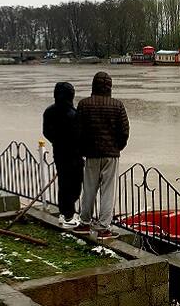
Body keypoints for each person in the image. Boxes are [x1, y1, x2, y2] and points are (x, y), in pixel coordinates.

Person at [75, 72, 129, 239]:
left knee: (89, 188)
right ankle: (104, 227)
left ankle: (84, 222)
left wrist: (82, 149)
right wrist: (117, 147)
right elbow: (124, 131)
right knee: (108, 190)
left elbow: (77, 130)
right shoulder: (118, 105)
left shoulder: (84, 104)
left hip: (91, 153)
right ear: (110, 87)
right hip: (111, 154)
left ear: (93, 85)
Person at [43, 82, 84, 226]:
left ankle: (65, 213)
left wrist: (56, 141)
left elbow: (46, 132)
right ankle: (69, 215)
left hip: (59, 152)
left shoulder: (49, 111)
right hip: (73, 155)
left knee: (64, 183)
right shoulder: (73, 114)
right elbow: (80, 135)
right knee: (74, 185)